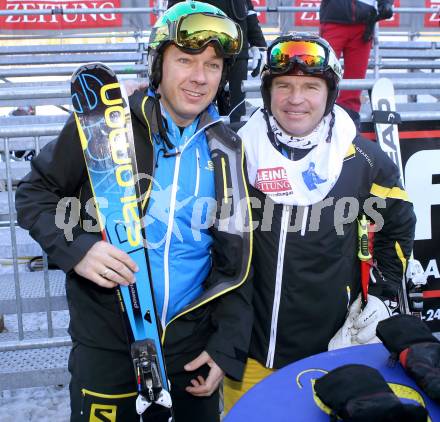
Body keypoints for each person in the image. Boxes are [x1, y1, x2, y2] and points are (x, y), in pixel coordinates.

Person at [15, 2, 253, 421]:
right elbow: (35, 193)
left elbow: (237, 260)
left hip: (190, 350)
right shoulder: (108, 124)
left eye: (213, 65)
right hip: (109, 344)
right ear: (158, 65)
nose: (200, 77)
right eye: (185, 60)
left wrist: (226, 346)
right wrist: (78, 248)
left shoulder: (228, 148)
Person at [223, 32, 416, 412]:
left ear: (329, 93)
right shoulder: (234, 151)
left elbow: (398, 221)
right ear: (268, 91)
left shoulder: (364, 160)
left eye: (311, 86)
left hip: (329, 354)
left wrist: (379, 289)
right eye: (284, 86)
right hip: (246, 354)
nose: (296, 99)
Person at [167, 0, 267, 124]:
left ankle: (233, 140)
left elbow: (248, 8)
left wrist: (258, 43)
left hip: (237, 48)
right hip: (201, 48)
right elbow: (174, 11)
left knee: (236, 113)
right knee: (198, 112)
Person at [319, 0, 394, 126]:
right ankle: (318, 115)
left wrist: (386, 2)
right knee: (323, 73)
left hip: (364, 23)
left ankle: (350, 120)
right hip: (334, 19)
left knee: (356, 78)